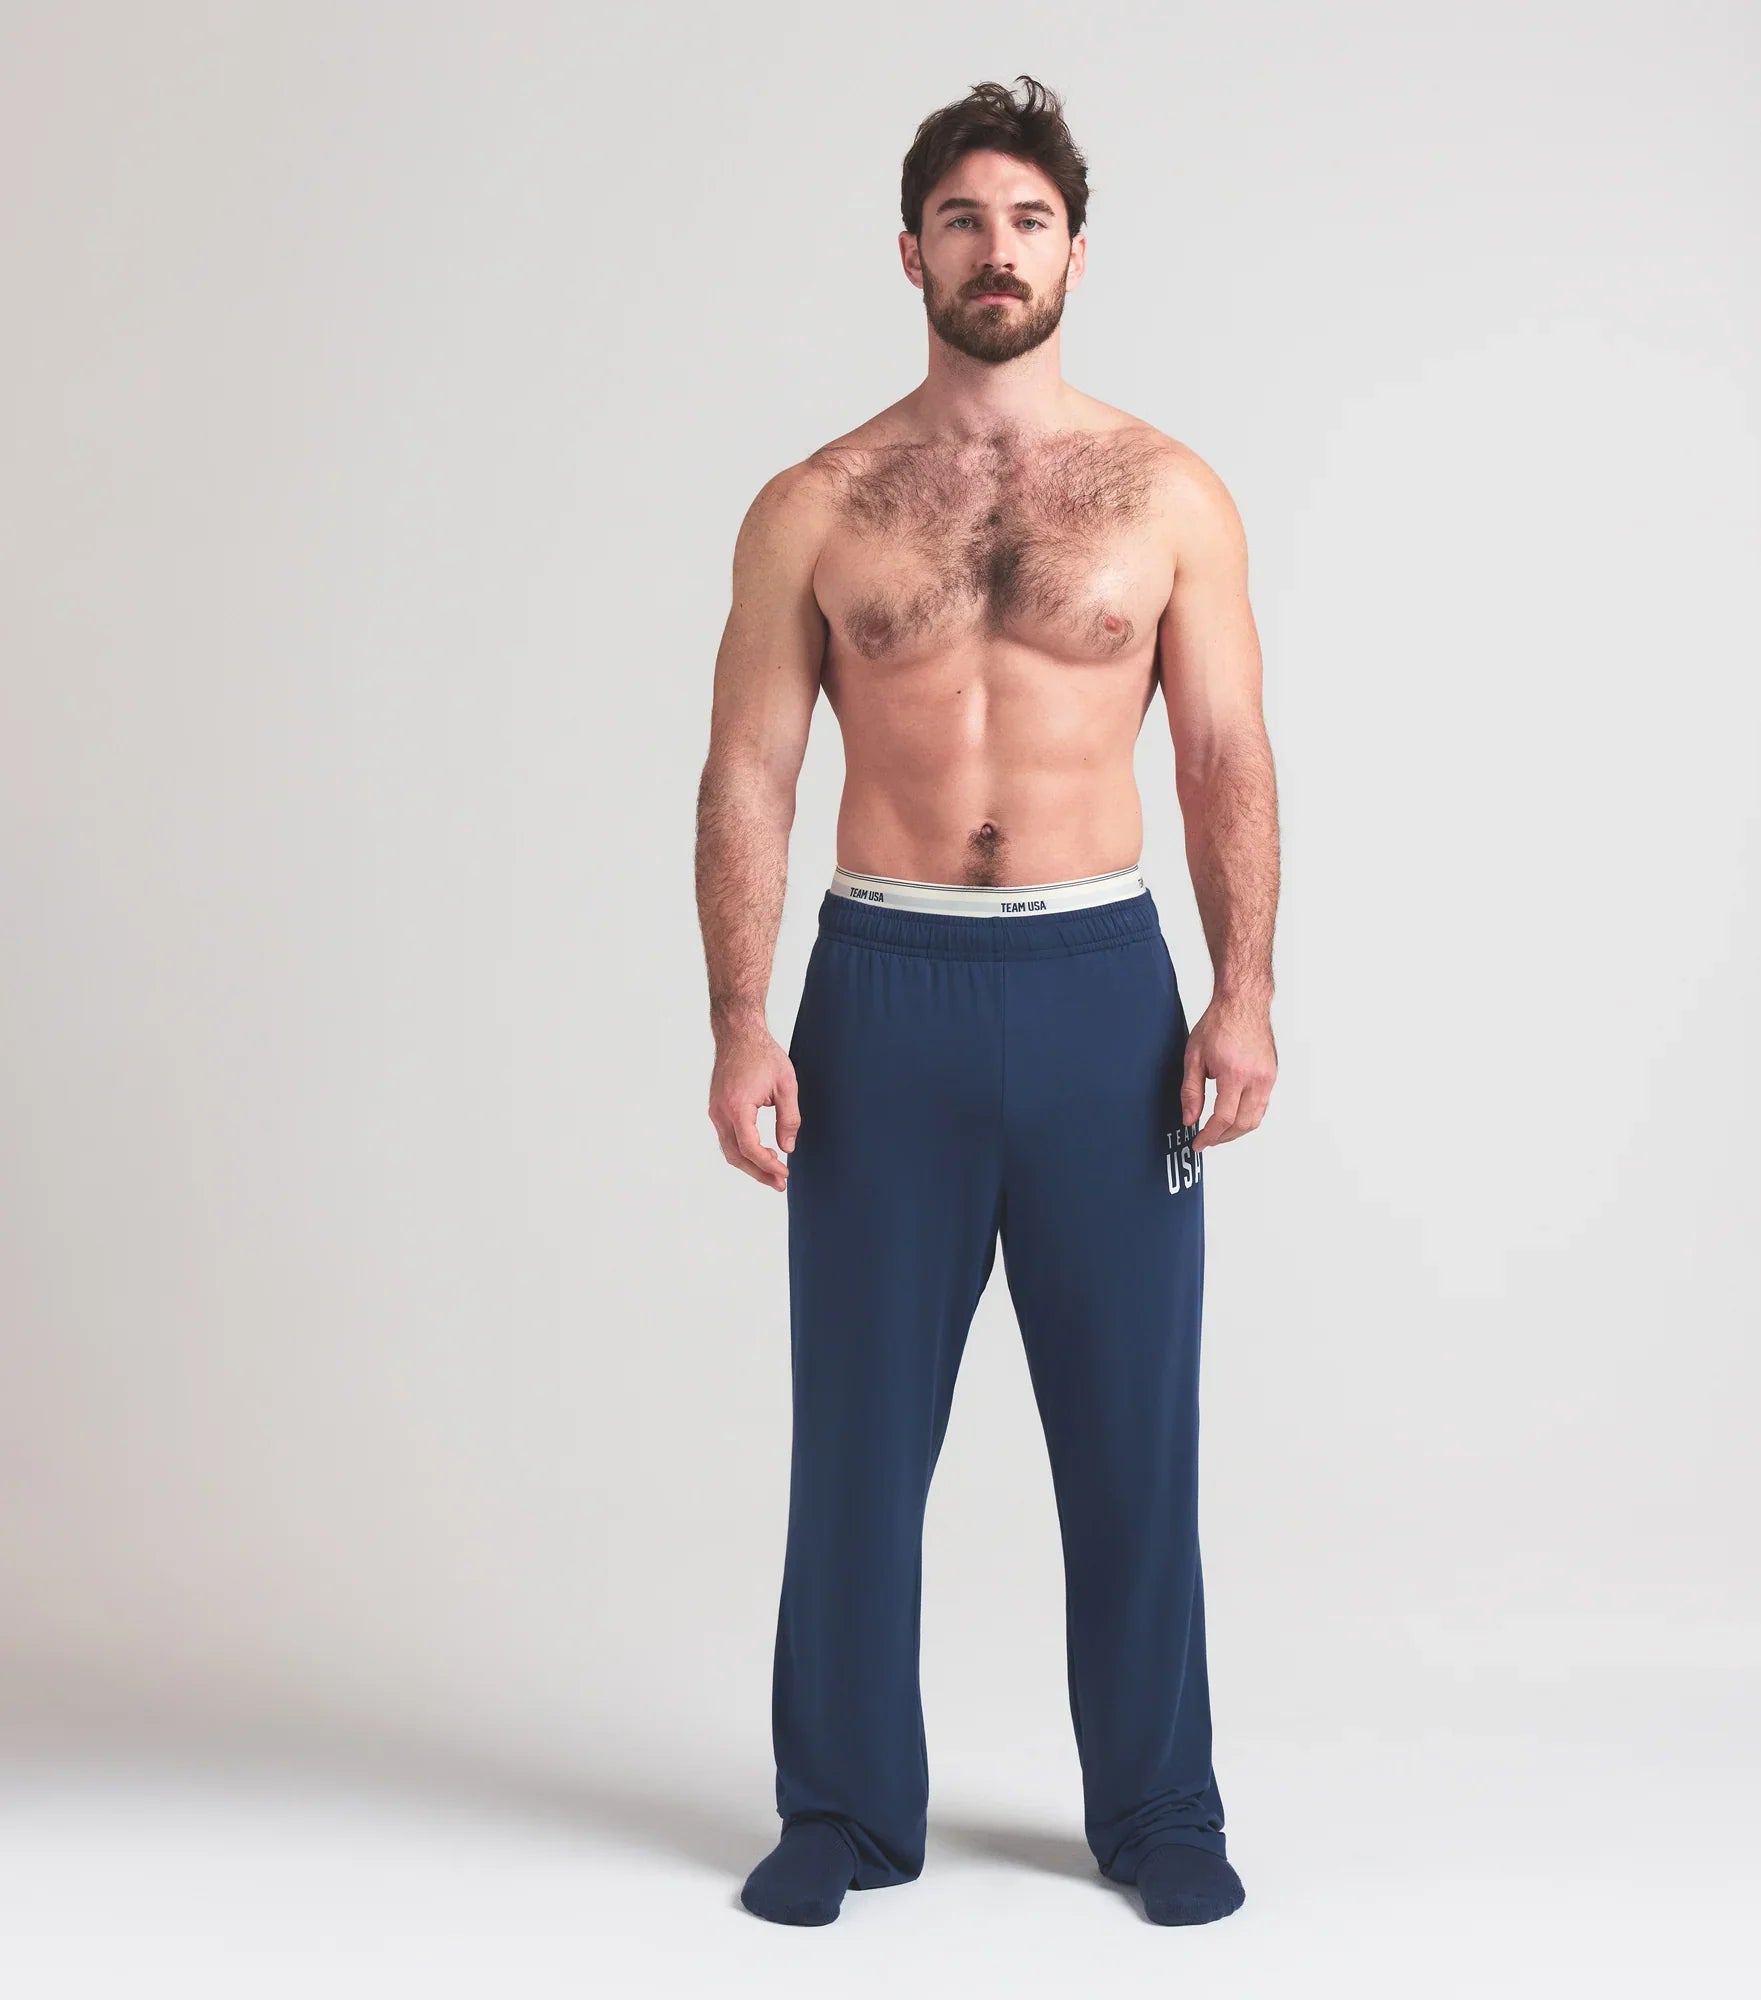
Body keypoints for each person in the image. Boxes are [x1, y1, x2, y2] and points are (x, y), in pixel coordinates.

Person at [695, 74, 1278, 1927]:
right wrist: (740, 1017)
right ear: (912, 254)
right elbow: (748, 772)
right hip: (885, 993)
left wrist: (1244, 991)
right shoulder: (815, 505)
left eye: (1028, 221)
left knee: (1132, 1434)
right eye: (964, 220)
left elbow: (1225, 754)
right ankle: (842, 1810)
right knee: (858, 1440)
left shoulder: (1169, 494)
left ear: (1076, 255)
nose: (996, 250)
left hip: (1105, 990)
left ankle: (1160, 1810)